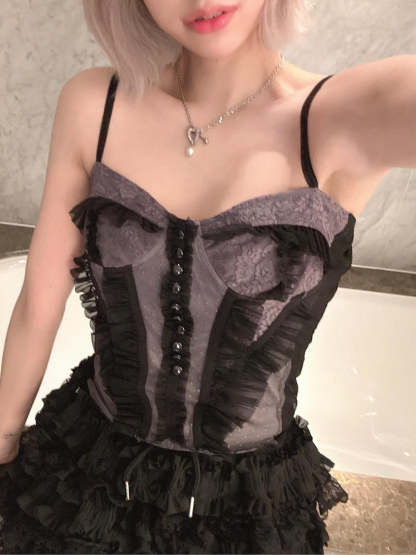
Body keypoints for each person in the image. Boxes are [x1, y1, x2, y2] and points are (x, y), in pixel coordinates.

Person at [1, 1, 415, 553]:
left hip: (248, 509)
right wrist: (3, 443)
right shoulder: (94, 102)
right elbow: (39, 302)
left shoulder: (343, 115)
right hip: (84, 476)